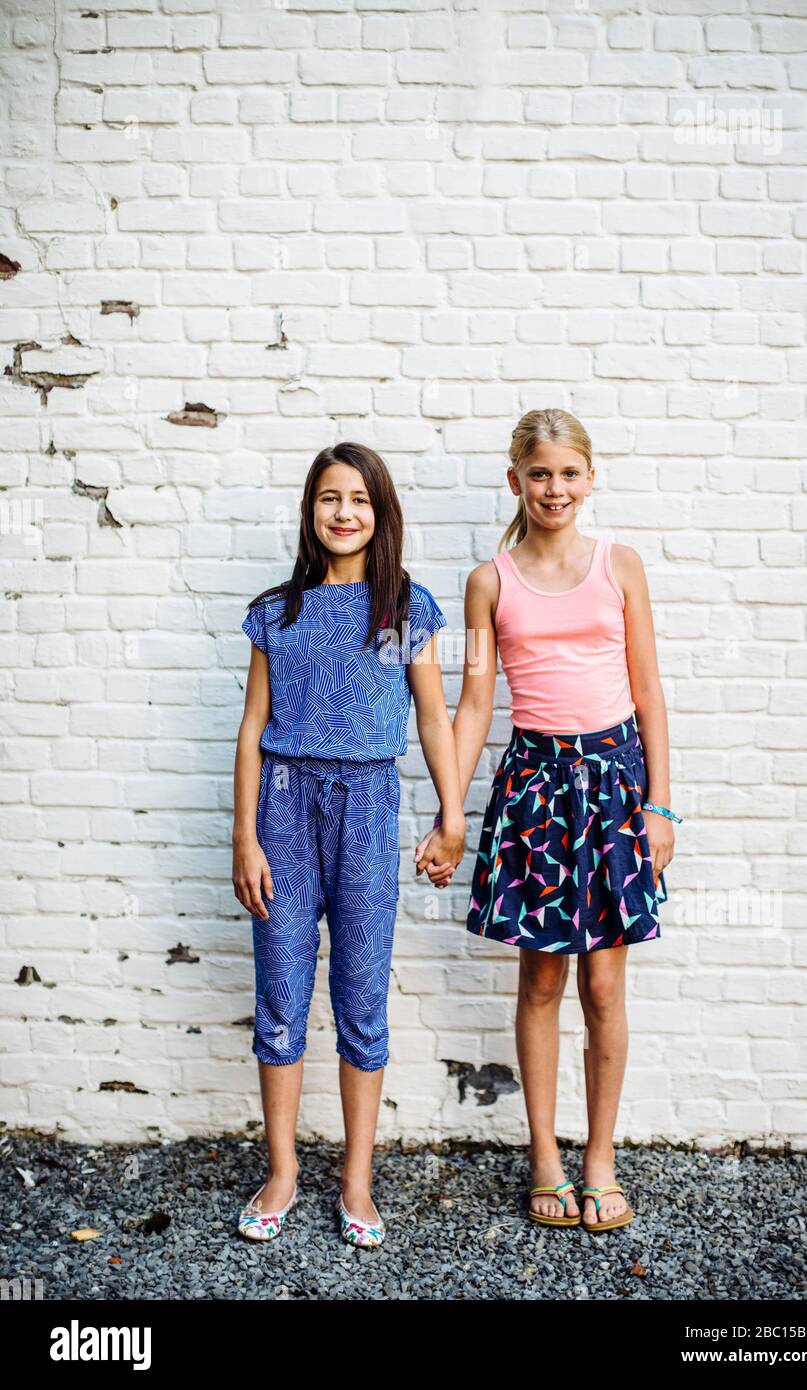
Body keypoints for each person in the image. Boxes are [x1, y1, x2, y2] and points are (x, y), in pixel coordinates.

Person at [416, 408, 680, 1233]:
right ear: (516, 482)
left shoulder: (621, 566)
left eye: (569, 473)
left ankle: (600, 1157)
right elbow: (474, 705)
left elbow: (648, 692)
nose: (554, 488)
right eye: (540, 474)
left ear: (590, 478)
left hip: (612, 785)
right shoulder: (490, 581)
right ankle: (545, 1157)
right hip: (534, 783)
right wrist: (450, 808)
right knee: (540, 979)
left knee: (604, 983)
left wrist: (661, 804)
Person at [234, 441, 464, 1246]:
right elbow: (255, 725)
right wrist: (244, 835)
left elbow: (432, 716)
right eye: (329, 498)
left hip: (367, 802)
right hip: (285, 807)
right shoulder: (278, 612)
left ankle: (357, 1180)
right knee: (281, 992)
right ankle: (284, 1168)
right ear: (311, 510)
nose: (343, 512)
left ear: (380, 511)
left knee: (362, 998)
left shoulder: (401, 609)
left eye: (359, 499)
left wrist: (451, 811)